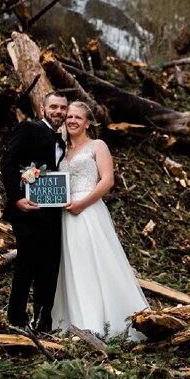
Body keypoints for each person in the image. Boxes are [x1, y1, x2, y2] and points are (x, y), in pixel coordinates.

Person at [51, 101, 149, 339]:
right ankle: (72, 320)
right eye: (70, 117)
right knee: (70, 264)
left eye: (78, 118)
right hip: (65, 213)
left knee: (92, 262)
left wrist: (82, 204)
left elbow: (107, 181)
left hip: (88, 211)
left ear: (87, 123)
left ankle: (100, 322)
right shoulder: (61, 149)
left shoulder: (97, 145)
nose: (72, 120)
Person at [0, 92, 68, 333]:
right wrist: (17, 198)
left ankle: (42, 321)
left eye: (62, 108)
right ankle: (16, 319)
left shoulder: (62, 140)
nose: (58, 111)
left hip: (54, 214)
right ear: (43, 108)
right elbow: (8, 163)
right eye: (54, 107)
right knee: (26, 265)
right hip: (28, 211)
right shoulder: (29, 128)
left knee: (48, 269)